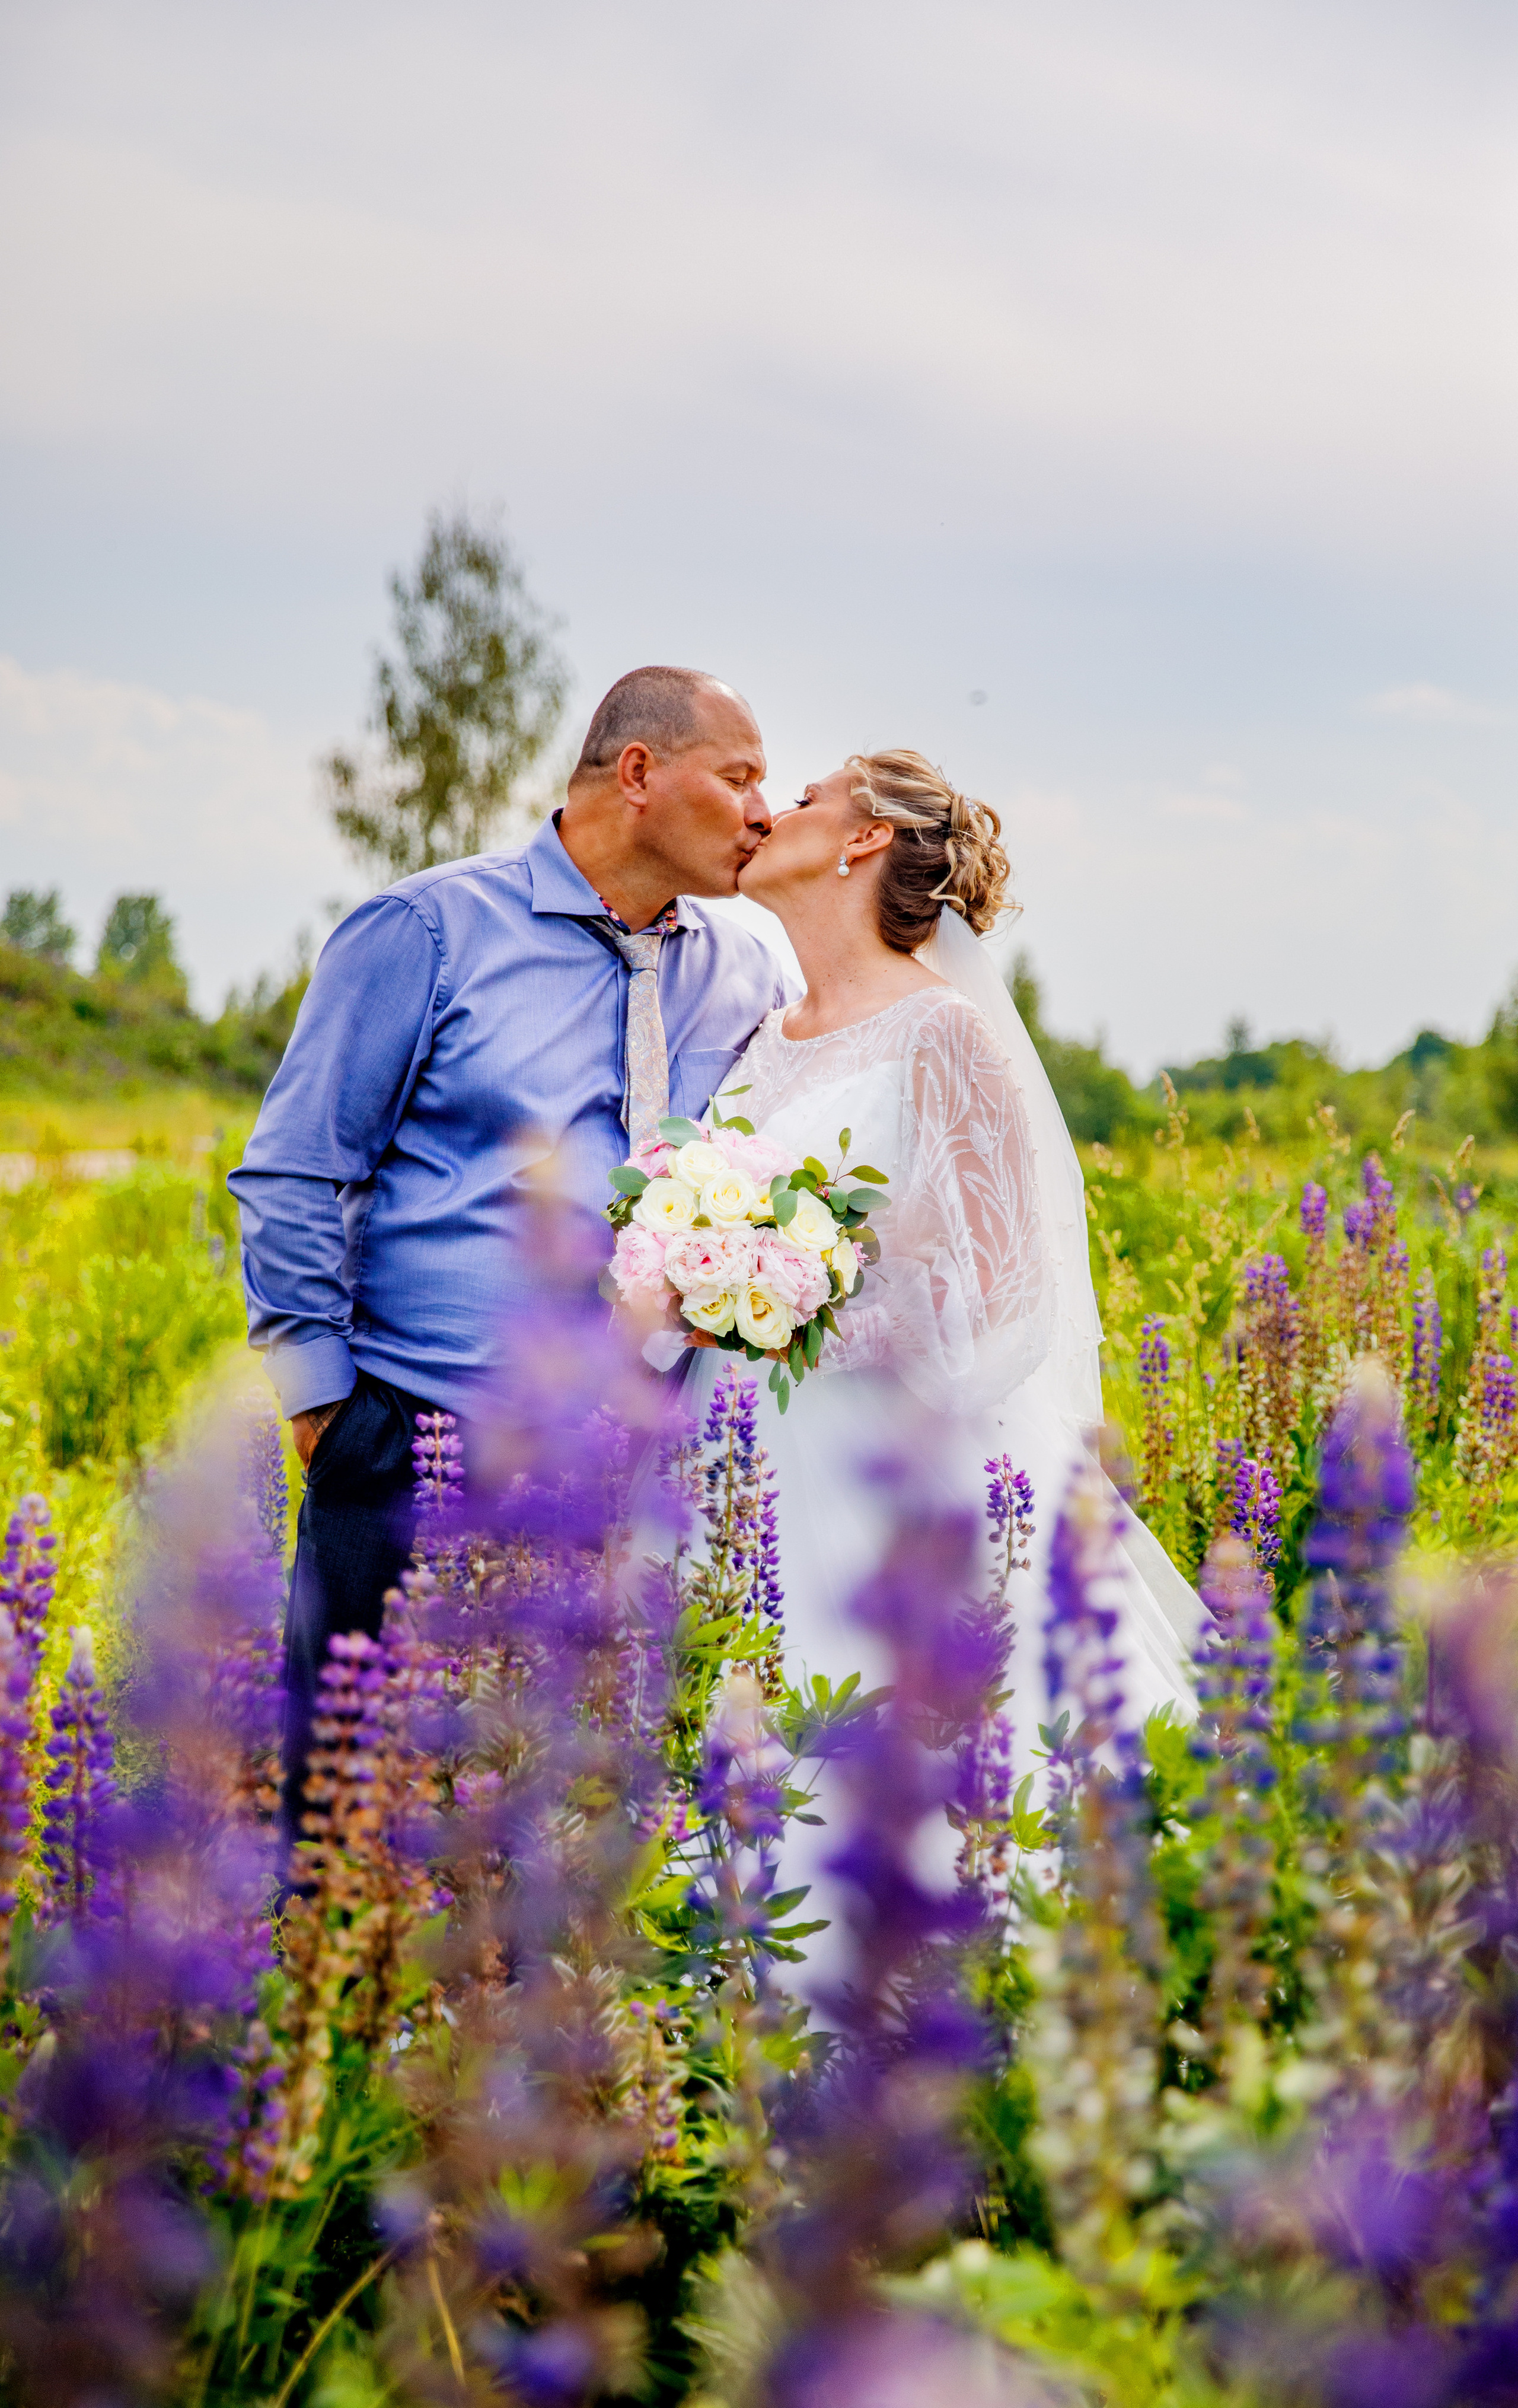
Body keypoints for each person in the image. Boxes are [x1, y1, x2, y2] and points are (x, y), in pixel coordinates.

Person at [229, 665, 788, 1824]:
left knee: (554, 1833)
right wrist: (327, 1406)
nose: (762, 811)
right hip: (414, 1430)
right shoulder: (424, 930)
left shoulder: (749, 967)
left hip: (624, 1470)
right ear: (637, 772)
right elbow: (297, 1165)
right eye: (738, 777)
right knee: (348, 1806)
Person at [677, 750, 1202, 1962]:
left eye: (804, 797)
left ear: (862, 840)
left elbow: (1008, 1296)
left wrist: (803, 1305)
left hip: (896, 1464)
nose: (772, 810)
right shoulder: (769, 1035)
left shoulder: (943, 1031)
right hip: (747, 1452)